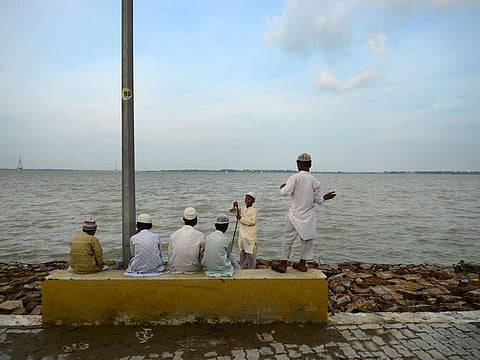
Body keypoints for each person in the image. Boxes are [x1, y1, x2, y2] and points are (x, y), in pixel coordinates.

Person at [272, 153, 336, 273]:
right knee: (307, 241)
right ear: (310, 165)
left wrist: (283, 186)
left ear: (299, 164)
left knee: (287, 239)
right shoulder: (315, 181)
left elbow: (284, 192)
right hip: (308, 216)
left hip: (294, 215)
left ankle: (283, 265)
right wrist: (325, 197)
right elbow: (318, 200)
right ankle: (302, 264)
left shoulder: (295, 177)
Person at [168, 207, 205, 273]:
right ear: (196, 220)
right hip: (193, 268)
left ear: (183, 219)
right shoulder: (200, 235)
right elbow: (202, 256)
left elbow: (170, 254)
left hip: (175, 268)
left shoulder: (174, 235)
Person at [230, 192, 257, 269]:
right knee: (242, 252)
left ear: (253, 201)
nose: (247, 200)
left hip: (250, 236)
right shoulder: (242, 209)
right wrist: (234, 206)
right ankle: (243, 269)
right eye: (246, 198)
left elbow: (252, 222)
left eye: (249, 199)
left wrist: (240, 219)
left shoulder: (254, 210)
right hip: (242, 235)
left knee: (250, 254)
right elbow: (232, 211)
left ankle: (251, 269)